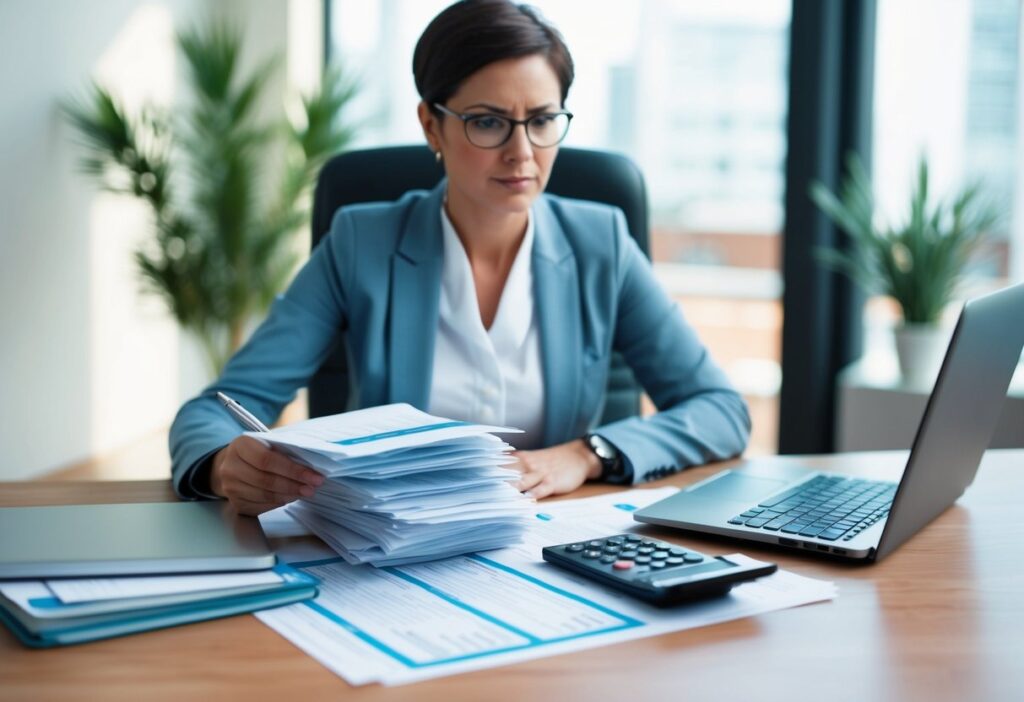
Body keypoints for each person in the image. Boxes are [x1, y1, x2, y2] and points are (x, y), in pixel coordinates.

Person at [169, 0, 751, 516]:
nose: (521, 152)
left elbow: (720, 410)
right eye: (489, 122)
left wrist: (587, 454)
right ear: (432, 125)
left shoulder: (602, 244)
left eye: (543, 120)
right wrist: (224, 465)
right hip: (389, 548)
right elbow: (212, 413)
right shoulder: (361, 243)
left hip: (547, 539)